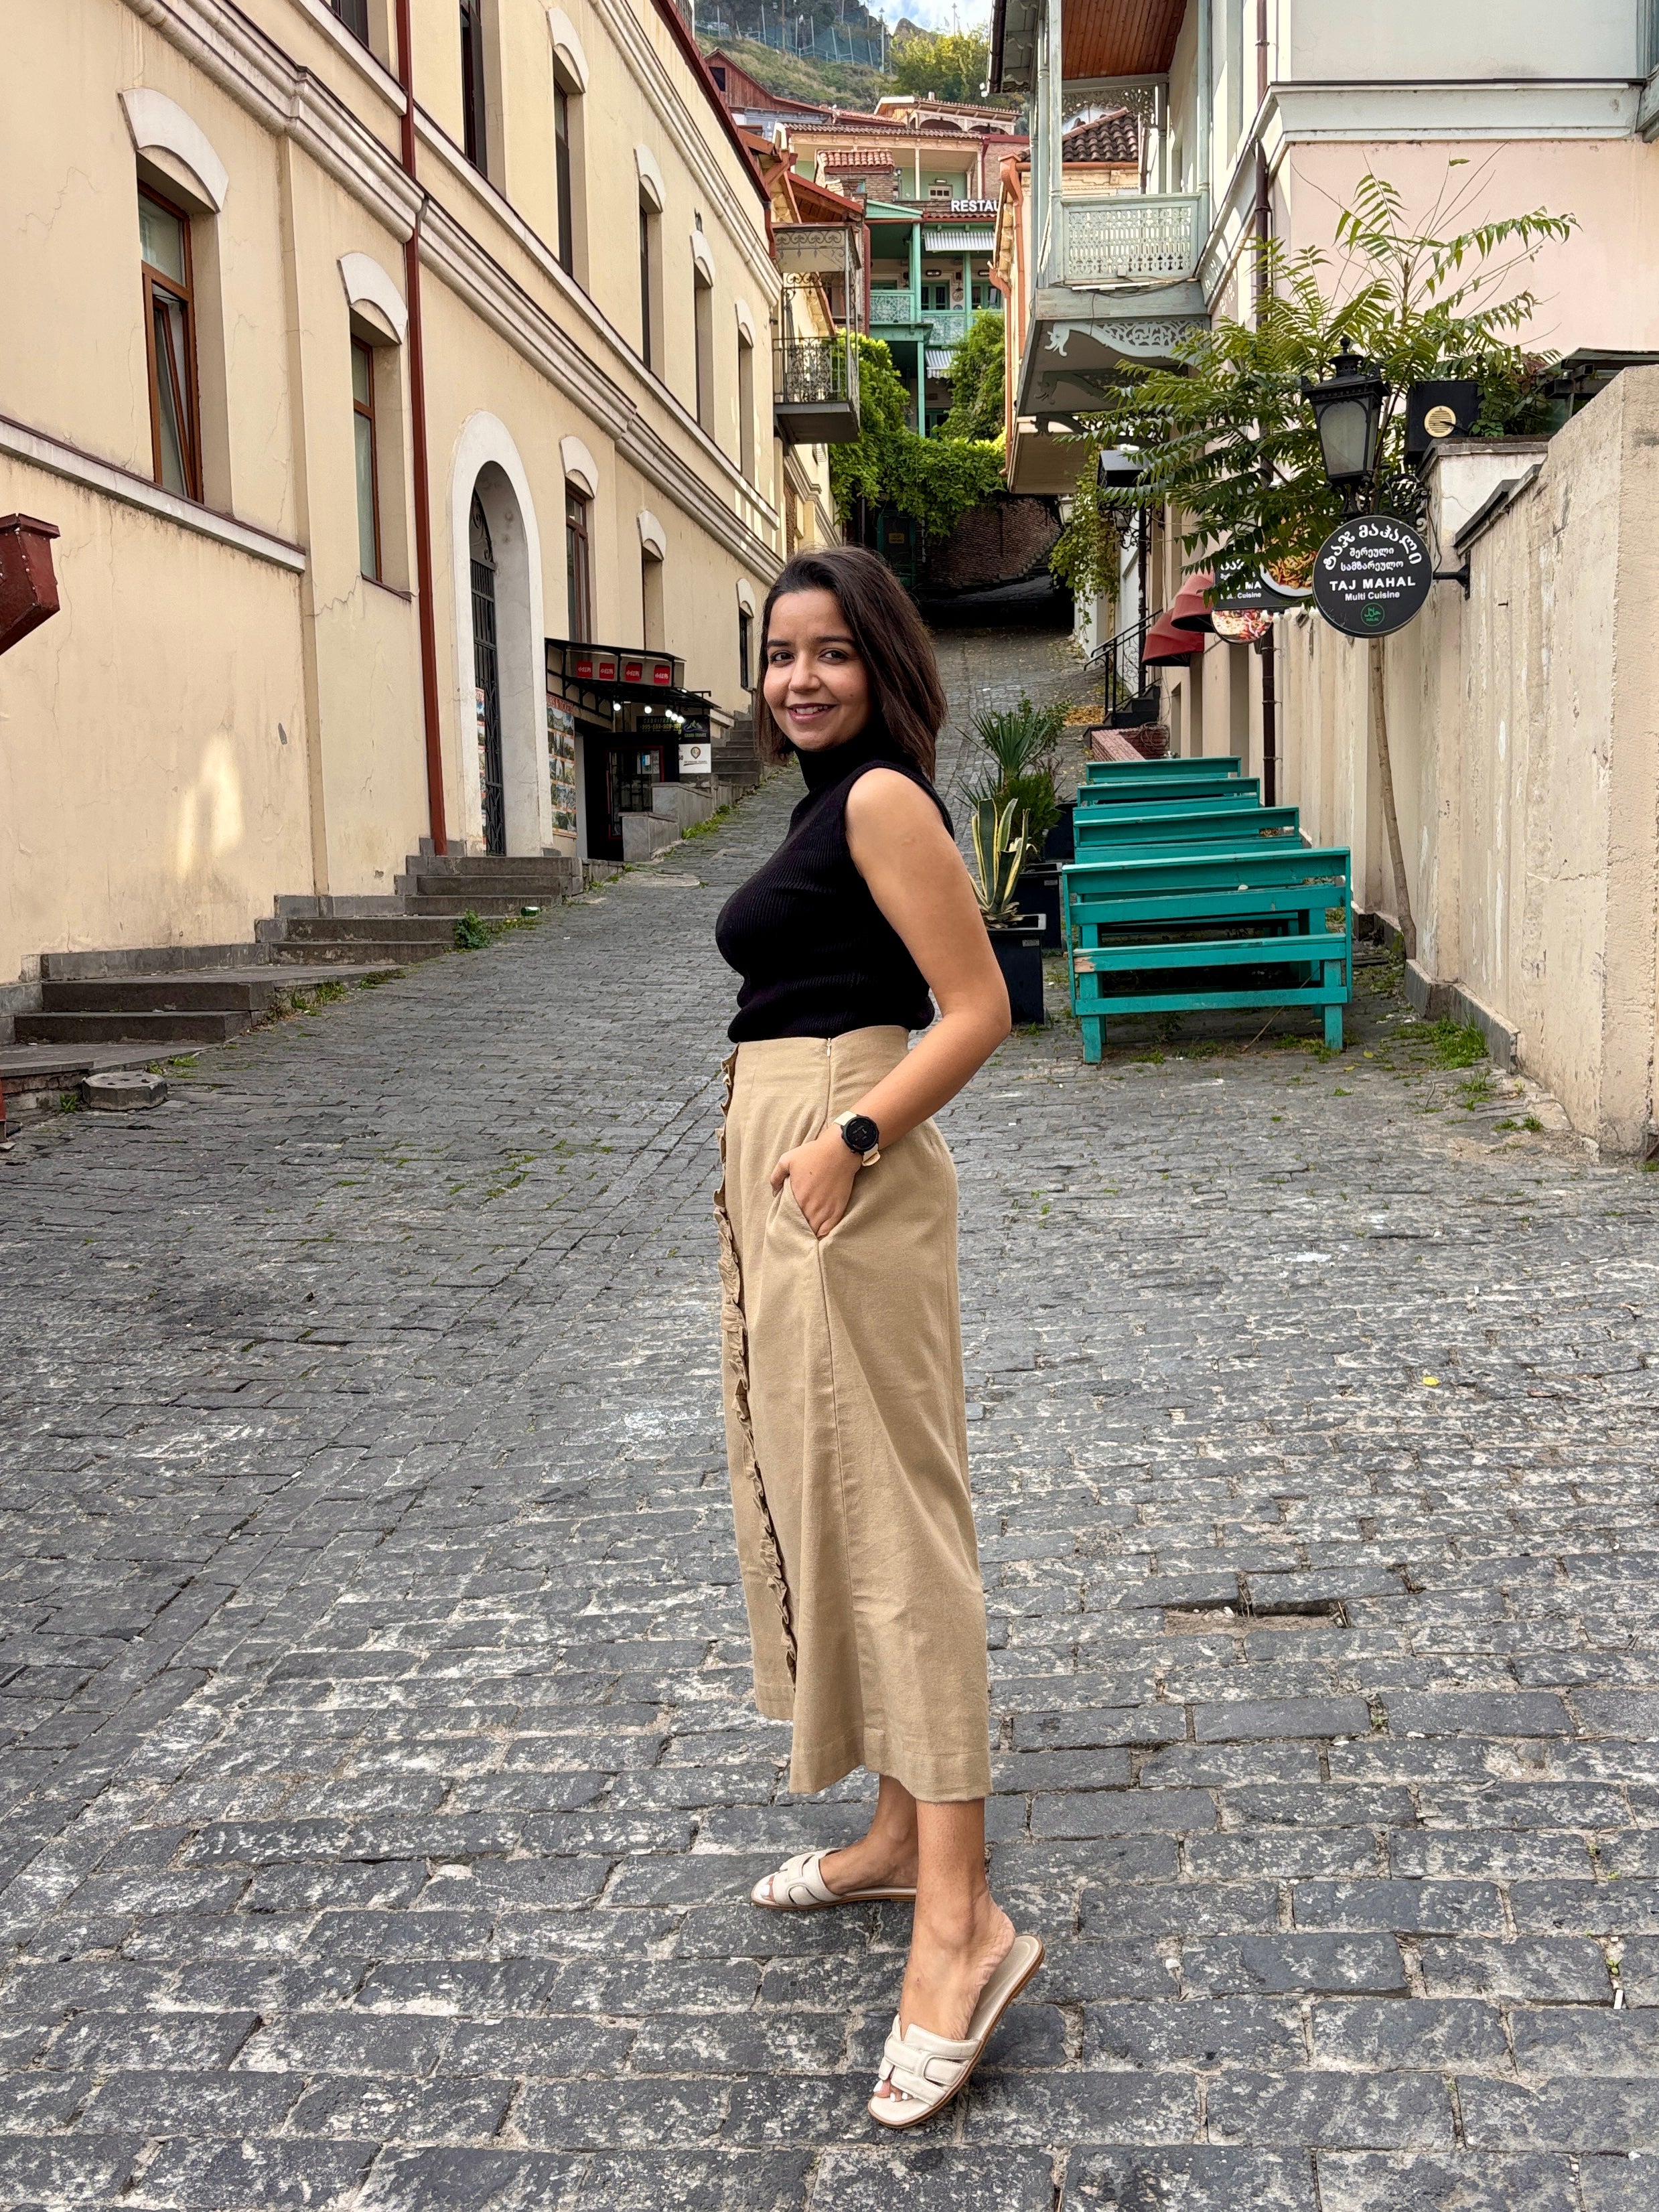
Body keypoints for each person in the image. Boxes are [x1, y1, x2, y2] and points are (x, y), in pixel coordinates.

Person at [713, 546, 1043, 2130]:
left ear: (880, 660)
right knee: (831, 1491)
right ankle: (903, 1828)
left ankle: (961, 1919)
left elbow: (977, 1004)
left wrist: (847, 1134)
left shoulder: (882, 800)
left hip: (847, 1156)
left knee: (901, 1526)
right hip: (795, 1157)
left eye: (831, 652)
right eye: (782, 653)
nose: (801, 678)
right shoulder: (819, 800)